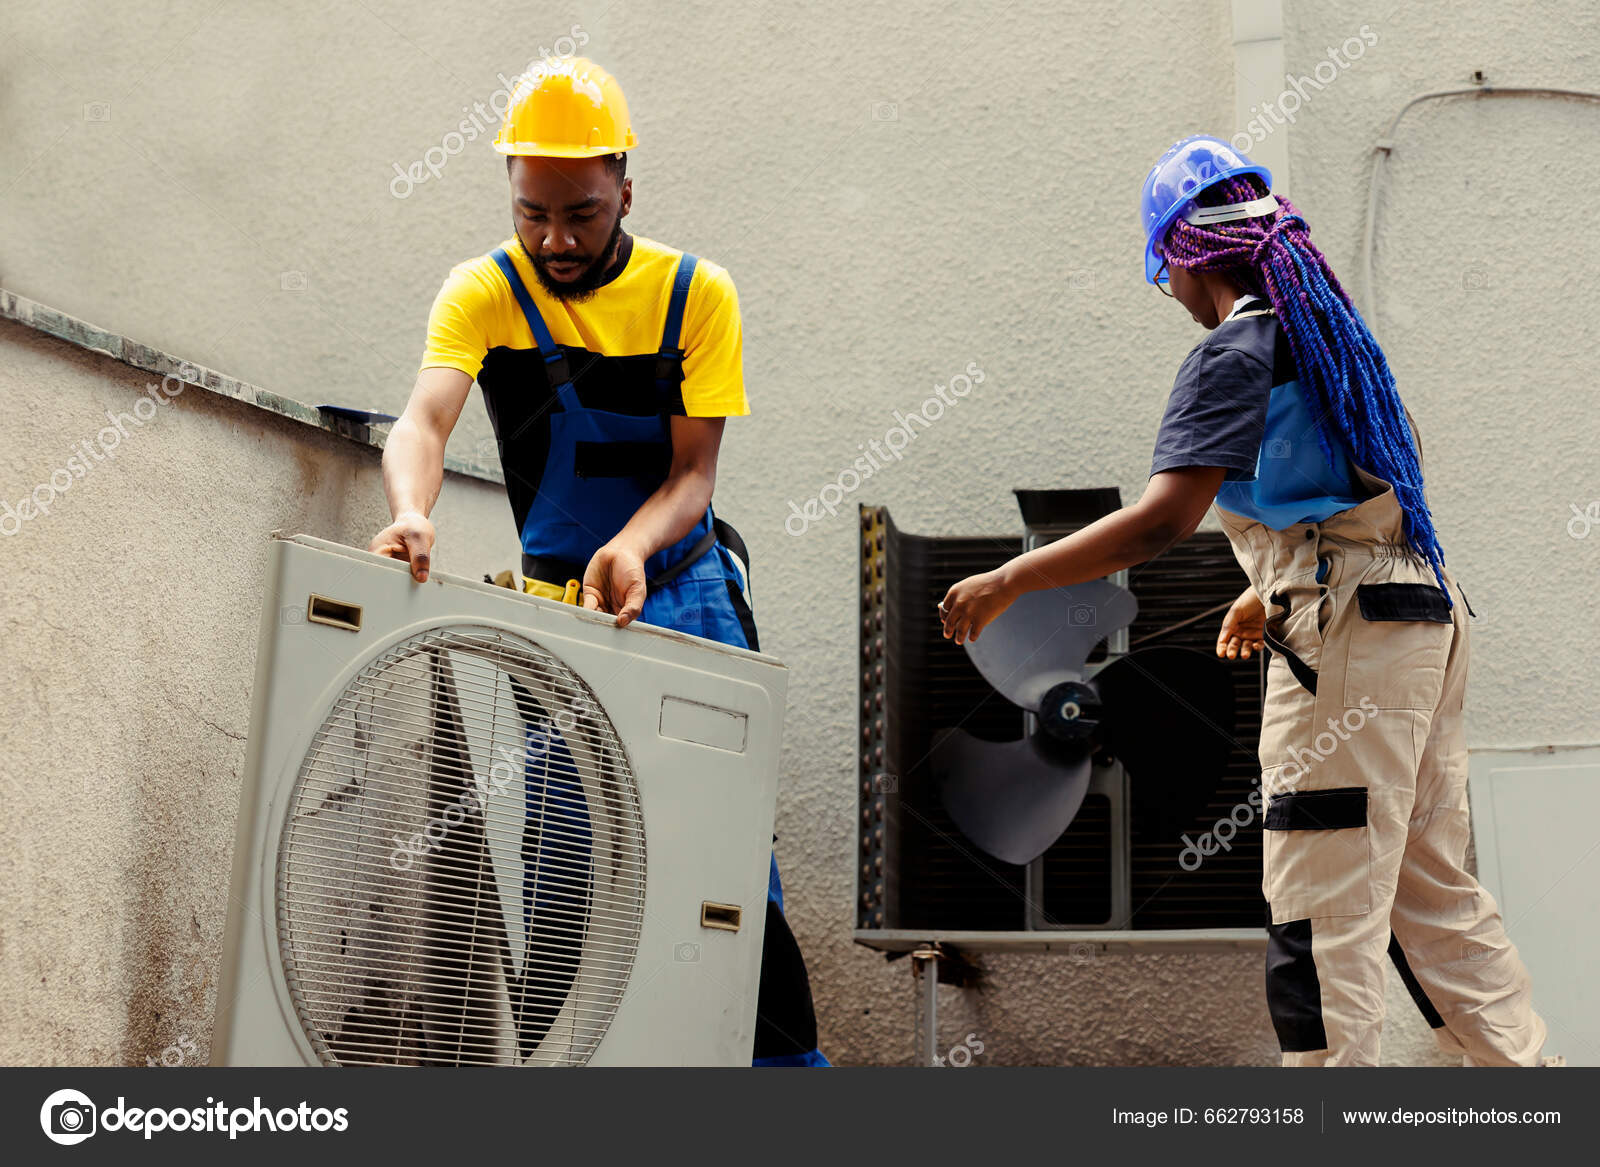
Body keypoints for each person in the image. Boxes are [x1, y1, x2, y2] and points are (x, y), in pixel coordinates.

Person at [937, 135, 1545, 1067]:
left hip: (1350, 635)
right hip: (1420, 617)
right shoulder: (1328, 337)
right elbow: (1356, 506)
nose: (1172, 299)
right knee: (1437, 903)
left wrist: (1011, 578)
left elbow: (1159, 522)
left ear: (1184, 254)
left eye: (1163, 277)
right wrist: (1272, 593)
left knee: (1320, 918)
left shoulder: (1234, 347)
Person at [368, 56, 827, 1068]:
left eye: (580, 213)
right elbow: (423, 423)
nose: (555, 240)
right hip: (559, 623)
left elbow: (693, 474)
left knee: (727, 869)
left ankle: (785, 1078)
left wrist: (630, 545)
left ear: (626, 188)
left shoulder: (696, 294)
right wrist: (410, 511)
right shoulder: (482, 290)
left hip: (688, 594)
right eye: (532, 213)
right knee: (574, 872)